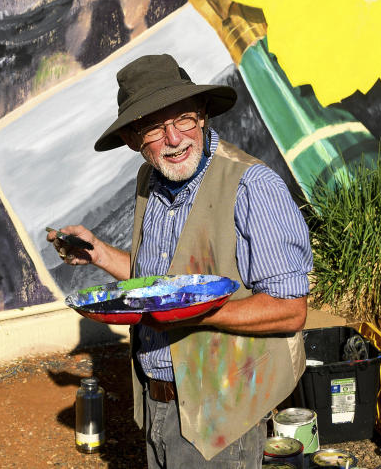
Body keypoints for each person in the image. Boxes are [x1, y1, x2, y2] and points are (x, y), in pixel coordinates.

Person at [47, 55, 311, 468]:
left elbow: (290, 311)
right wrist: (98, 252)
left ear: (203, 116)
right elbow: (157, 288)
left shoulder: (252, 186)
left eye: (184, 119)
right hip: (158, 405)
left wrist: (196, 315)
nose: (174, 138)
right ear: (134, 139)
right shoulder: (149, 183)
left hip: (223, 410)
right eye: (154, 127)